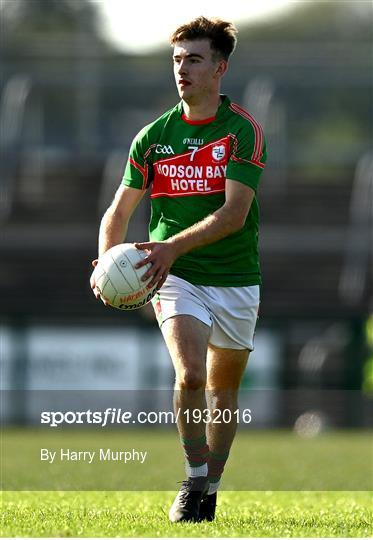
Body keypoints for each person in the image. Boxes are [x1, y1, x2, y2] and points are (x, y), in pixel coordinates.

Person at [91, 16, 267, 522]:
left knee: (222, 392)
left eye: (193, 59)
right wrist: (108, 260)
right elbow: (118, 213)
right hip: (176, 275)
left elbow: (234, 215)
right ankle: (192, 482)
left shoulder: (243, 131)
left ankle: (212, 485)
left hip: (235, 278)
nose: (182, 69)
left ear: (219, 68)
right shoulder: (153, 137)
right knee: (191, 376)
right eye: (176, 59)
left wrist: (170, 247)